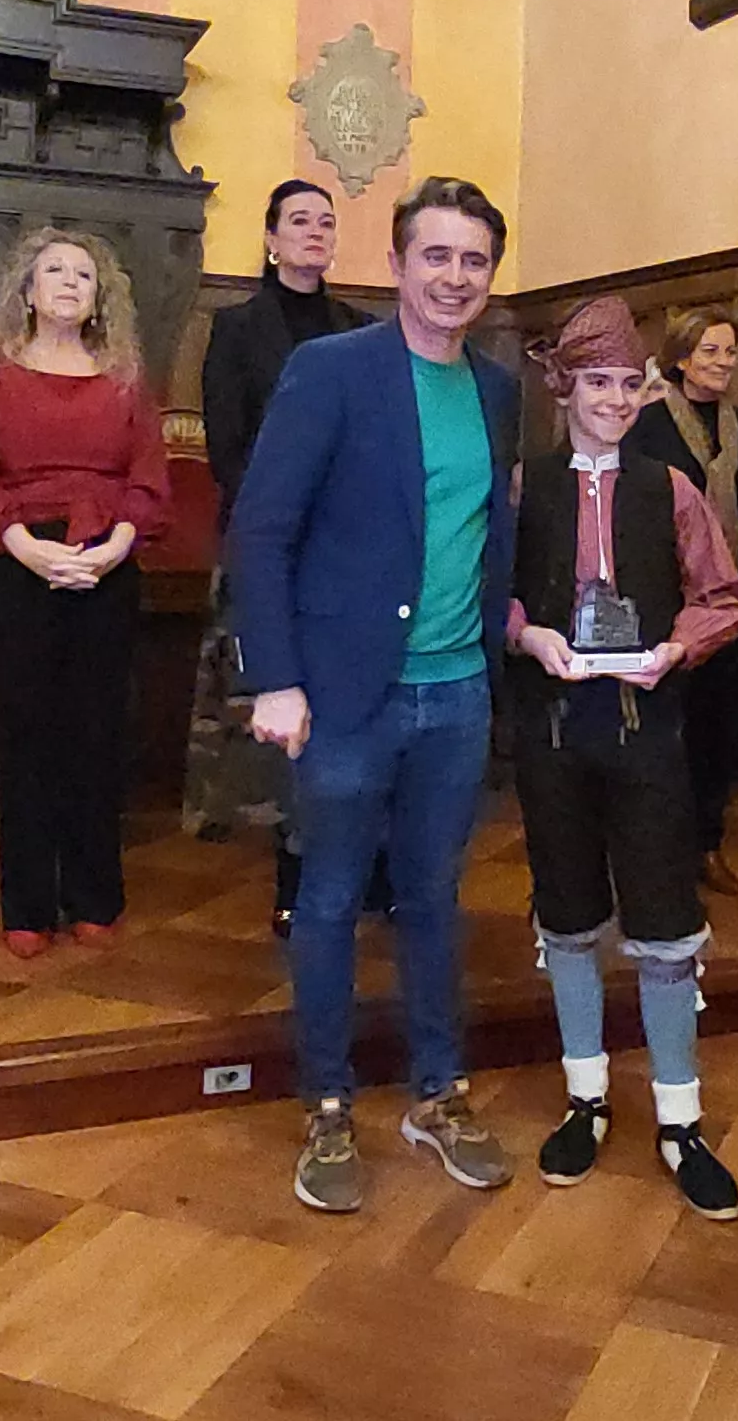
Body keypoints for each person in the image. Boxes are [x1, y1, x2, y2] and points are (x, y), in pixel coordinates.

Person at [228, 174, 520, 1215]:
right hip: (346, 693)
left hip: (457, 694)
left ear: (490, 275)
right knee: (329, 903)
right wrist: (277, 676)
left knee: (436, 902)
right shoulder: (330, 370)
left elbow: (488, 534)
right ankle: (327, 1104)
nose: (453, 277)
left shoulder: (495, 388)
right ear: (396, 264)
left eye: (473, 260)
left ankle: (438, 1093)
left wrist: (507, 629)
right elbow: (262, 530)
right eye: (434, 255)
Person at [511, 297, 738, 1220]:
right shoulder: (526, 486)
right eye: (596, 382)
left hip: (648, 733)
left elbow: (722, 594)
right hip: (557, 733)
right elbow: (485, 593)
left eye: (625, 383)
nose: (612, 399)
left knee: (661, 918)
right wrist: (530, 639)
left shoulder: (670, 489)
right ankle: (585, 1096)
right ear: (562, 387)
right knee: (567, 911)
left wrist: (672, 649)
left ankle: (679, 1119)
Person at [0, 226, 170, 958]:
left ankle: (94, 896)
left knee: (96, 734)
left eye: (83, 273)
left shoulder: (127, 373)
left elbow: (146, 475)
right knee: (29, 733)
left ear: (99, 294)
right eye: (54, 271)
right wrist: (27, 550)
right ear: (28, 289)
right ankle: (27, 905)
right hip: (17, 558)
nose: (70, 282)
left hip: (106, 556)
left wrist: (111, 550)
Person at [190, 180, 372, 935]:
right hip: (270, 547)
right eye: (299, 220)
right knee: (282, 720)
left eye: (325, 222)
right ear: (269, 238)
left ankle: (362, 867)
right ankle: (292, 876)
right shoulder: (235, 329)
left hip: (348, 549)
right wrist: (282, 521)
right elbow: (226, 447)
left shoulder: (358, 329)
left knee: (349, 713)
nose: (314, 232)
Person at [625, 308, 738, 894]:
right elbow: (640, 520)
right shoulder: (647, 426)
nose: (723, 361)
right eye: (710, 351)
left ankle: (706, 844)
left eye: (728, 351)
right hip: (667, 608)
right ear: (680, 358)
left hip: (732, 608)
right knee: (663, 737)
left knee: (718, 737)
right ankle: (654, 853)